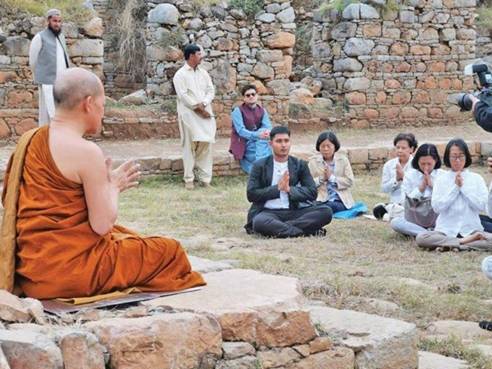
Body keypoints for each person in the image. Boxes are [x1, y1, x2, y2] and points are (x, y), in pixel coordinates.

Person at [0, 68, 204, 299]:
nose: (102, 112)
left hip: (29, 271)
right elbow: (101, 225)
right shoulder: (87, 152)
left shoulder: (29, 139)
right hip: (71, 275)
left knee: (127, 237)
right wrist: (113, 187)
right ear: (88, 103)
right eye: (102, 105)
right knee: (170, 251)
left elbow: (9, 200)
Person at [245, 126, 332, 238]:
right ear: (270, 144)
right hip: (268, 212)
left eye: (286, 141)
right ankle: (305, 232)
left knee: (326, 212)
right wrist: (277, 188)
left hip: (294, 211)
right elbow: (251, 194)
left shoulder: (299, 164)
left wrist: (289, 189)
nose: (283, 145)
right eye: (279, 141)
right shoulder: (260, 165)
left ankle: (284, 228)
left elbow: (312, 192)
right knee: (259, 222)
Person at [416, 139, 492, 251]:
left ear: (467, 157)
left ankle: (452, 245)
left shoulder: (477, 178)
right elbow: (437, 208)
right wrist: (455, 188)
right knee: (421, 238)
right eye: (453, 157)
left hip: (472, 230)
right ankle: (462, 243)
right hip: (445, 231)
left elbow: (482, 206)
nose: (457, 160)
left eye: (461, 156)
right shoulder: (441, 179)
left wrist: (463, 188)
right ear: (448, 158)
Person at [173, 44, 216, 190]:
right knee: (189, 146)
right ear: (191, 56)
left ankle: (204, 179)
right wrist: (197, 107)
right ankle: (189, 179)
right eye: (199, 54)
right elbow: (183, 95)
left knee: (206, 145)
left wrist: (204, 103)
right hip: (189, 115)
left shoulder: (203, 73)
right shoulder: (180, 75)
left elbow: (211, 90)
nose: (201, 56)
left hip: (205, 113)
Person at [390, 144, 444, 237]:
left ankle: (429, 233)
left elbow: (446, 201)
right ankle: (427, 233)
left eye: (429, 164)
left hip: (438, 219)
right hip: (415, 219)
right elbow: (404, 202)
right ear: (417, 161)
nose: (426, 167)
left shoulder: (443, 175)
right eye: (422, 164)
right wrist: (420, 189)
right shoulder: (410, 176)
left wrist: (432, 186)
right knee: (395, 222)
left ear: (435, 161)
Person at [29, 9, 70, 126]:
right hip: (47, 82)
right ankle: (45, 139)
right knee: (47, 112)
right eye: (54, 21)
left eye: (59, 21)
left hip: (62, 82)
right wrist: (40, 76)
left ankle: (58, 140)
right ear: (48, 21)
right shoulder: (39, 37)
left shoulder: (61, 37)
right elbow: (33, 60)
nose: (57, 24)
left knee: (60, 112)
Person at [373, 133, 418, 220]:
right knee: (377, 208)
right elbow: (384, 189)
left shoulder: (417, 165)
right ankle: (393, 213)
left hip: (412, 203)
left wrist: (404, 177)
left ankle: (392, 215)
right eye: (397, 147)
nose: (400, 150)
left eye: (403, 148)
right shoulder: (389, 165)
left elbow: (418, 187)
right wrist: (396, 180)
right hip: (395, 203)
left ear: (411, 149)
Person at [308, 131, 354, 214]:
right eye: (323, 146)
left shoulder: (343, 160)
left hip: (339, 200)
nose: (326, 149)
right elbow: (307, 184)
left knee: (329, 207)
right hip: (320, 199)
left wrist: (332, 178)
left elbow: (350, 181)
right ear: (319, 147)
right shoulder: (313, 162)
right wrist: (322, 179)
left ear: (335, 147)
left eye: (328, 146)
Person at [229, 84, 272, 174]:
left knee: (267, 141)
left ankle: (259, 169)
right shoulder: (237, 111)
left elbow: (267, 126)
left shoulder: (262, 110)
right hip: (244, 142)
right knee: (265, 148)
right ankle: (262, 169)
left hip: (259, 141)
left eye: (253, 94)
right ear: (244, 98)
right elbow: (241, 131)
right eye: (248, 95)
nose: (251, 97)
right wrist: (257, 135)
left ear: (257, 96)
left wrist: (265, 133)